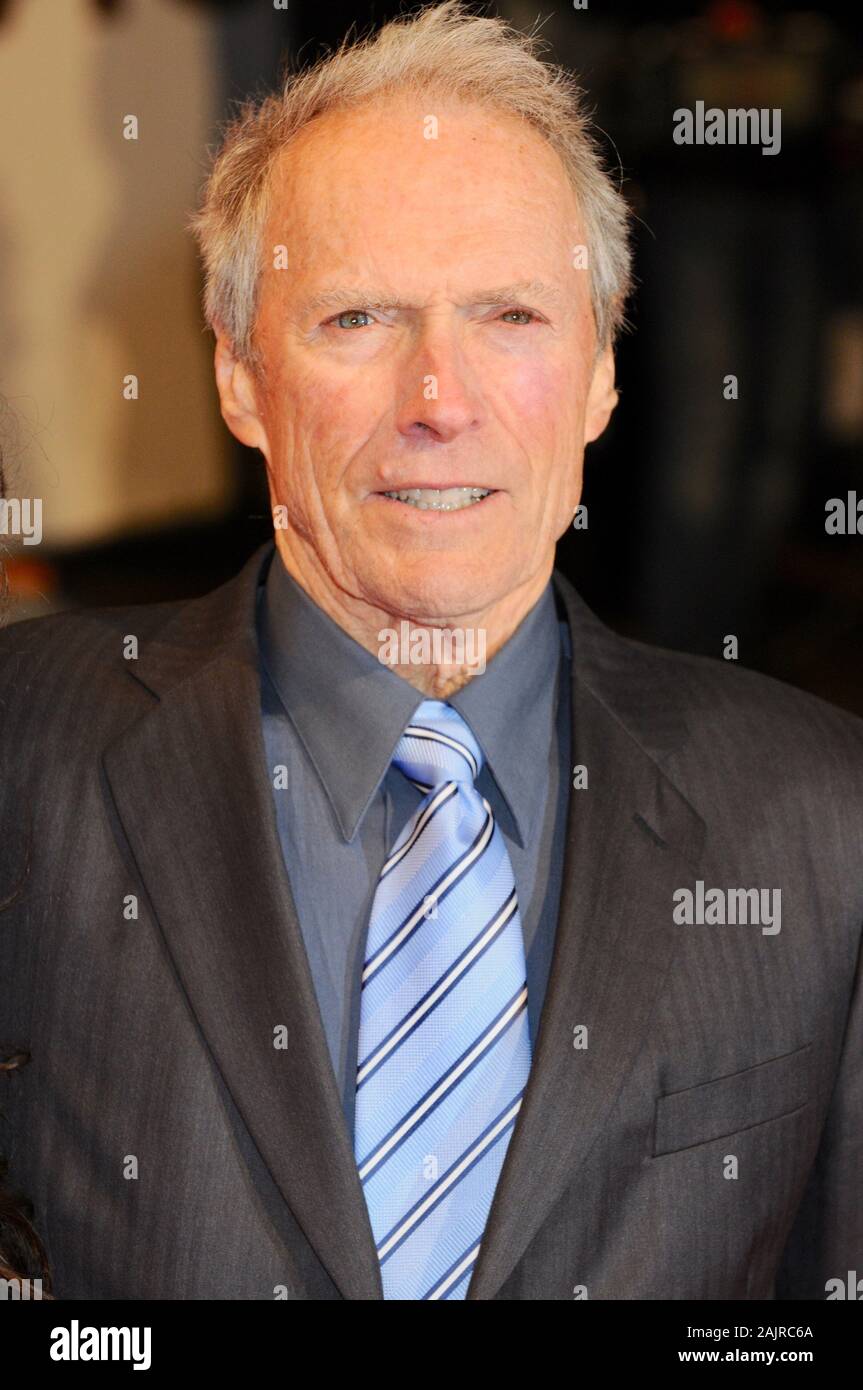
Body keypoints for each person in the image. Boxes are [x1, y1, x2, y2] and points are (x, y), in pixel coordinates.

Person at [0, 0, 860, 1300]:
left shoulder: (826, 818)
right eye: (357, 319)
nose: (440, 400)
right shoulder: (23, 754)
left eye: (511, 316)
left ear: (601, 371)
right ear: (238, 372)